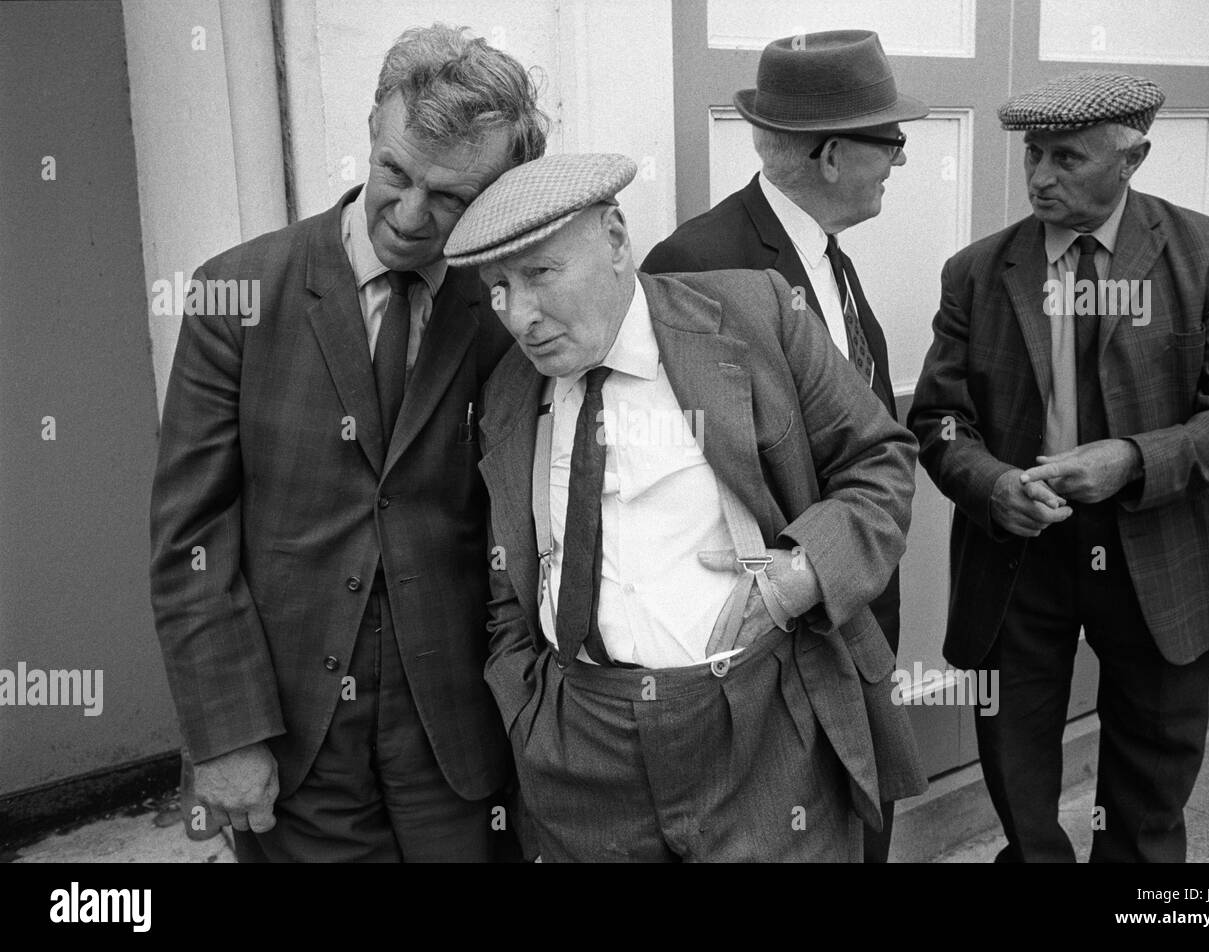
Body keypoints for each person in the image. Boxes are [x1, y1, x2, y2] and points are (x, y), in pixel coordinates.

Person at [444, 152, 926, 862]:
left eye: (540, 275)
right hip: (581, 758)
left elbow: (879, 463)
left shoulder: (754, 314)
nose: (519, 315)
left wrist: (797, 576)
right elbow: (508, 580)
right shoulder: (512, 393)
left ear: (615, 239)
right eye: (497, 288)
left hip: (760, 732)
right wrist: (528, 707)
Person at [149, 23, 547, 862]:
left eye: (451, 197)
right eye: (396, 174)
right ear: (372, 130)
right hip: (292, 743)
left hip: (458, 739)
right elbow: (191, 539)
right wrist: (225, 735)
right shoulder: (234, 295)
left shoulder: (512, 315)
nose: (410, 215)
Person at [908, 71, 1209, 862]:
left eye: (1066, 159)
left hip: (1161, 546)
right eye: (1033, 155)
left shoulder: (1205, 254)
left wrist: (1134, 461)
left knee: (1153, 773)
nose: (1039, 177)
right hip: (1022, 552)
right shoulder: (977, 272)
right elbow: (939, 421)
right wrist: (990, 484)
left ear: (1132, 158)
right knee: (1015, 752)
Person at [641, 28, 927, 862]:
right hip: (774, 649)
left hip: (853, 616)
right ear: (832, 155)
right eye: (892, 139)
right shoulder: (701, 264)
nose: (902, 160)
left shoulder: (830, 260)